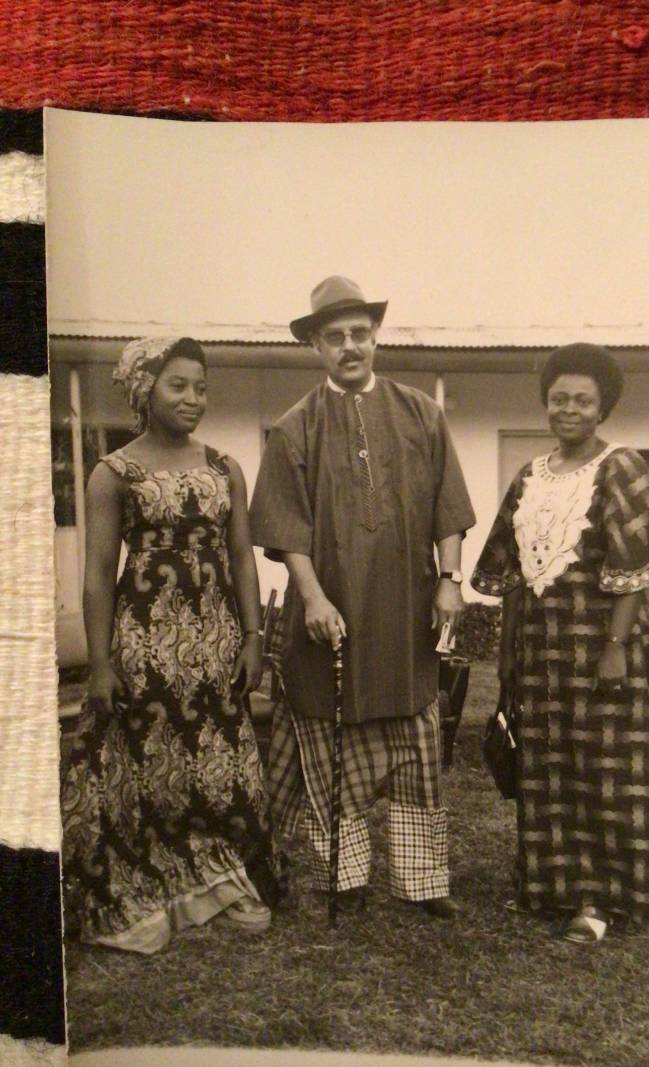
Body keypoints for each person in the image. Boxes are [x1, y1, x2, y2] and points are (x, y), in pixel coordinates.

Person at [249, 276, 475, 919]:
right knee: (328, 740)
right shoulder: (295, 428)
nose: (350, 346)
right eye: (334, 337)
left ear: (375, 337)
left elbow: (448, 508)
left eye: (359, 334)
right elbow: (287, 530)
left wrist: (450, 579)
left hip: (405, 615)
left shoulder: (420, 414)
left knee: (415, 738)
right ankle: (343, 876)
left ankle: (423, 882)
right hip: (333, 615)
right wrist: (314, 598)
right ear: (316, 347)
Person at [61, 336, 286, 954]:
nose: (193, 399)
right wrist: (100, 663)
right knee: (149, 766)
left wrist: (251, 637)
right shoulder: (114, 474)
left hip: (215, 644)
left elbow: (240, 557)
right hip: (146, 646)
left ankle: (225, 878)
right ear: (144, 391)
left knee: (222, 762)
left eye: (201, 387)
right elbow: (98, 572)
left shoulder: (223, 467)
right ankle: (157, 886)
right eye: (177, 385)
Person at [472, 343, 649, 943]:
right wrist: (507, 656)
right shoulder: (529, 477)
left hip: (602, 649)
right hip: (542, 653)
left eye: (583, 400)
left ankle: (601, 899)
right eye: (559, 398)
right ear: (546, 403)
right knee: (546, 766)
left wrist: (616, 645)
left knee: (608, 769)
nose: (569, 408)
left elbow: (639, 569)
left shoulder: (622, 466)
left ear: (603, 409)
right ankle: (550, 886)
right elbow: (512, 573)